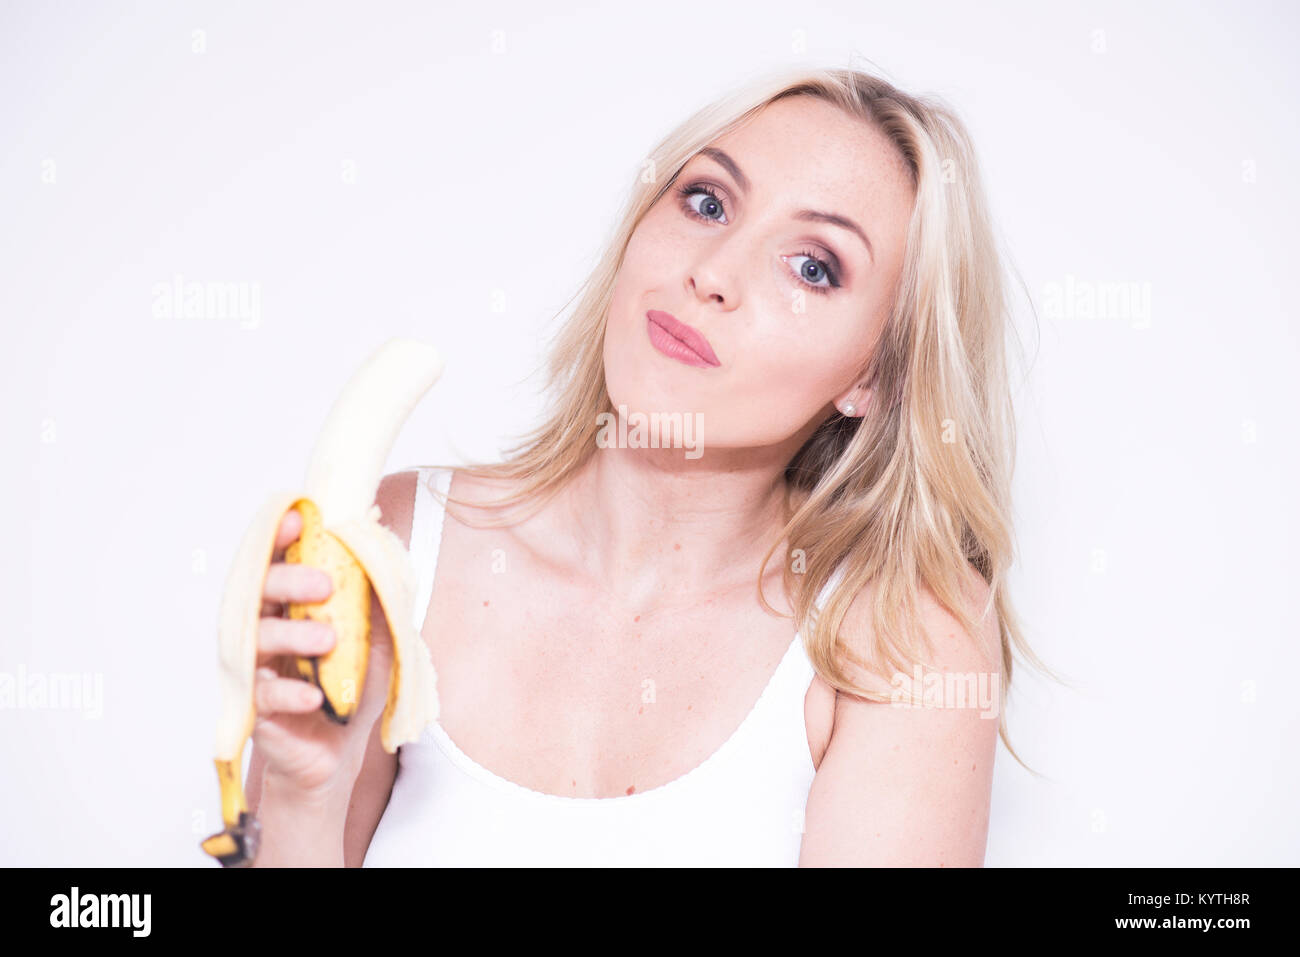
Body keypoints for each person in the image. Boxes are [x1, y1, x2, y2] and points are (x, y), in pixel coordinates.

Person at [244, 64, 1048, 867]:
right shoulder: (394, 545)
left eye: (813, 266)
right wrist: (298, 795)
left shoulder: (904, 635)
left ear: (871, 377)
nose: (714, 272)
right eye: (707, 202)